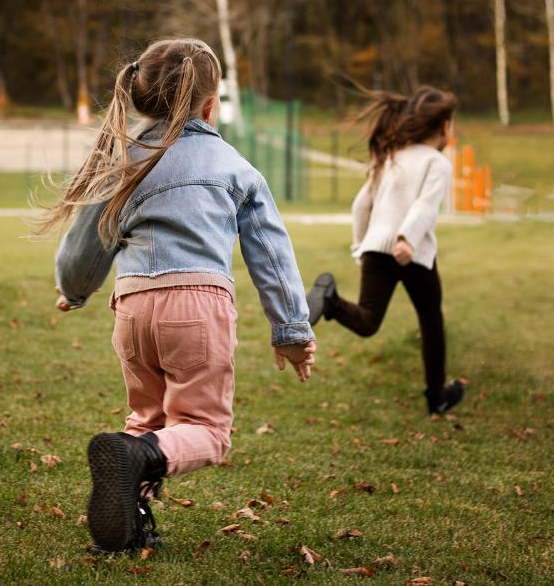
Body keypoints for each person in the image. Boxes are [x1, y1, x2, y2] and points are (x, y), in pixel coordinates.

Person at [42, 38, 317, 554]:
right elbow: (271, 256)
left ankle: (128, 528)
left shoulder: (125, 160)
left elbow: (85, 243)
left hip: (132, 310)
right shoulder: (232, 165)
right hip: (197, 305)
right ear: (210, 106)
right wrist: (292, 331)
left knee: (146, 426)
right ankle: (134, 466)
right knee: (207, 431)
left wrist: (74, 291)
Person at [306, 86, 466, 415]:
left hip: (375, 249)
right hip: (412, 253)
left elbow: (360, 206)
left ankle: (331, 300)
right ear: (445, 126)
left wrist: (359, 247)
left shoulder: (391, 156)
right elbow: (425, 205)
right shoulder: (437, 163)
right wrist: (407, 238)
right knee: (431, 320)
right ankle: (437, 396)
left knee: (368, 321)